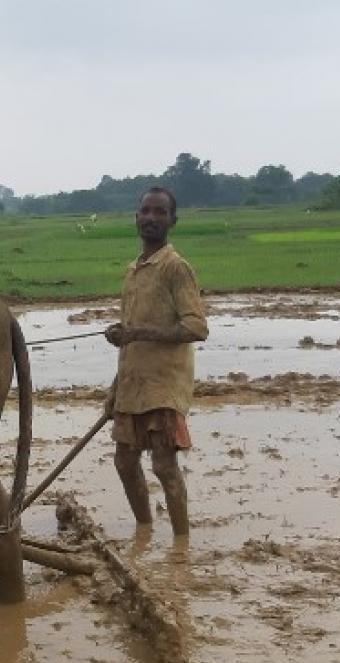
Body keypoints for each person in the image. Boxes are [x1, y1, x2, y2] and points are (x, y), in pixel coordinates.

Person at [103, 186, 208, 536]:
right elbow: (131, 338)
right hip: (133, 384)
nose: (151, 217)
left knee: (164, 466)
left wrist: (137, 333)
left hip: (164, 384)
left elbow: (196, 327)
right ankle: (144, 528)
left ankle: (181, 542)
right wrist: (115, 389)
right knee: (123, 462)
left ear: (172, 221)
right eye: (146, 211)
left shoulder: (176, 268)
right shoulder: (133, 271)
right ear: (136, 218)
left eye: (159, 212)